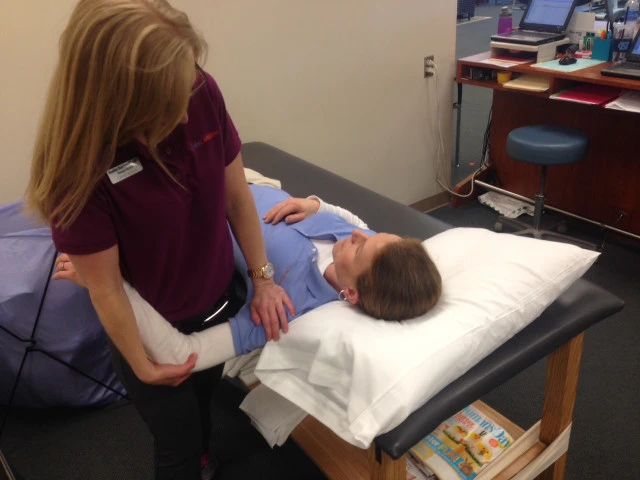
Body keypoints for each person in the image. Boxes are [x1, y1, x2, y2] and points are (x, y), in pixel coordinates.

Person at [24, 1, 294, 479]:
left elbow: (237, 200)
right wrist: (141, 364)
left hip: (216, 303)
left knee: (205, 403)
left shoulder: (200, 91)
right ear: (119, 101)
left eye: (187, 82)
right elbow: (105, 287)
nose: (186, 104)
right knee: (177, 445)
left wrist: (263, 279)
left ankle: (205, 455)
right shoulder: (79, 173)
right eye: (169, 98)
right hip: (151, 327)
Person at [54, 184, 443, 371]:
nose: (358, 235)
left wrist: (109, 284)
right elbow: (357, 222)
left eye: (360, 247)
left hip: (184, 215)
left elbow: (183, 353)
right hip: (244, 184)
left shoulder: (289, 308)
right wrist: (315, 204)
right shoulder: (374, 250)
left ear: (352, 294)